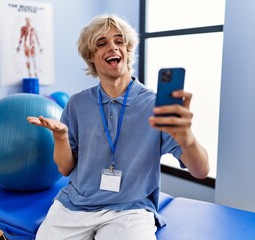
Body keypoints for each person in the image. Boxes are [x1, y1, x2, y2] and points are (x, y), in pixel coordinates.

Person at [27, 15, 209, 240]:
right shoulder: (77, 104)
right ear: (91, 57)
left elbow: (201, 171)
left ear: (128, 49)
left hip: (130, 210)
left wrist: (187, 138)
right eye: (101, 43)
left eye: (119, 41)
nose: (113, 47)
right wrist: (61, 137)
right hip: (75, 206)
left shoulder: (155, 105)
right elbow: (65, 169)